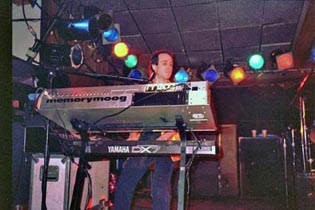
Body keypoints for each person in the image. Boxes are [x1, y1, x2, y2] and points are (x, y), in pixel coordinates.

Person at [113, 49, 179, 210]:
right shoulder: (143, 90)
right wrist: (133, 135)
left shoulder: (177, 90)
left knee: (160, 188)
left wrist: (164, 138)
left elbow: (180, 121)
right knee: (125, 183)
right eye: (164, 63)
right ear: (154, 67)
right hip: (146, 136)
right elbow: (136, 117)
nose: (169, 67)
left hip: (168, 139)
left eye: (171, 64)